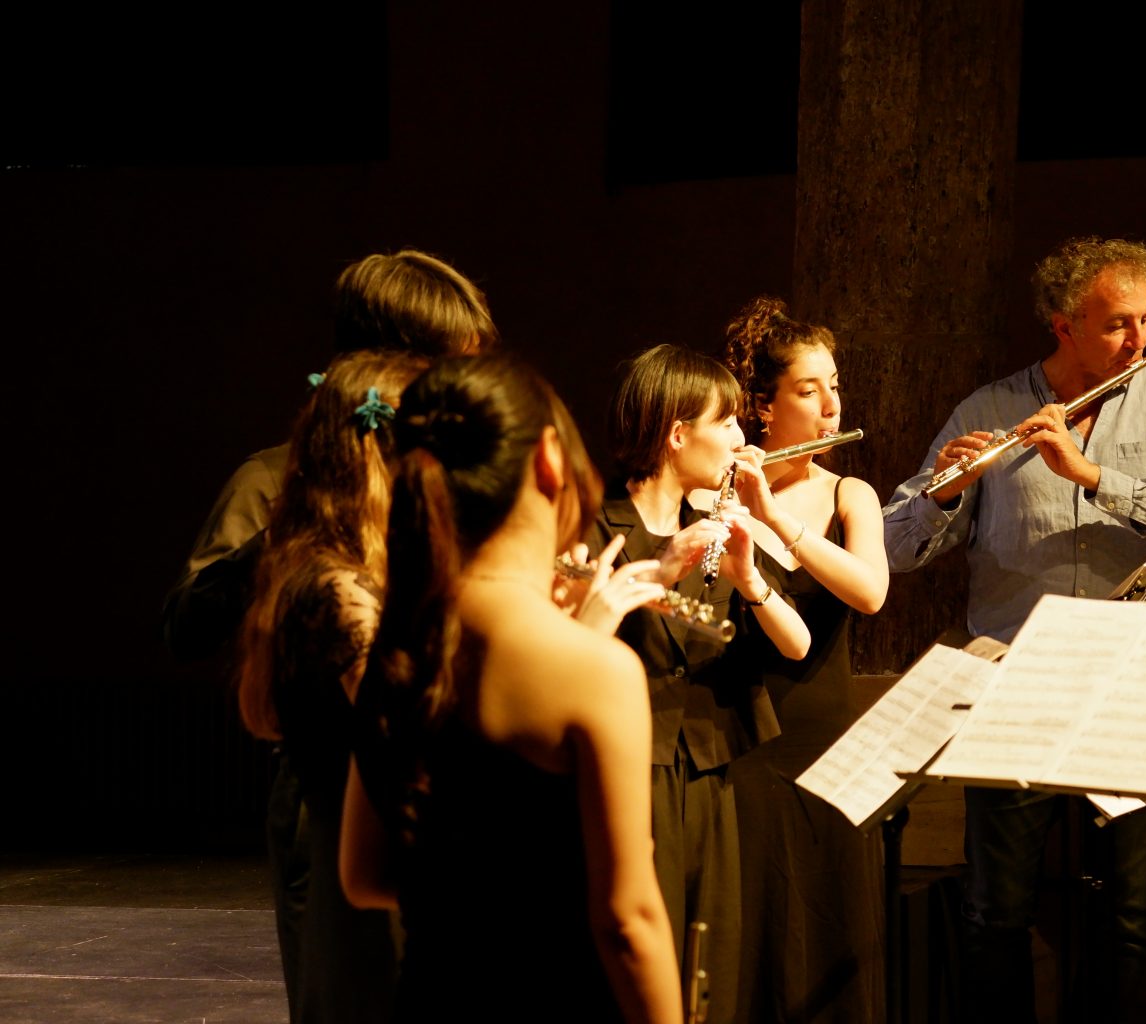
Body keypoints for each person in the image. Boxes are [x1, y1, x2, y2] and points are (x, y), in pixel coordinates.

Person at [882, 237, 1146, 1023]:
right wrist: (945, 494)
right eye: (1116, 324)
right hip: (1015, 681)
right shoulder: (988, 410)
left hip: (1130, 682)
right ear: (1063, 324)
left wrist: (1091, 475)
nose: (1137, 339)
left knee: (1124, 912)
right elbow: (896, 546)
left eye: (1144, 320)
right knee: (995, 910)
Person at [165, 248, 496, 1020]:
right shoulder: (276, 480)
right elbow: (185, 625)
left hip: (440, 776)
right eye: (450, 366)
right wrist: (305, 520)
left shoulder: (452, 477)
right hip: (334, 790)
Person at [339, 354, 681, 1023]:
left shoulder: (399, 645)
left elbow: (363, 875)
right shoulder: (594, 669)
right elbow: (628, 922)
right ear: (549, 459)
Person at [586, 343, 811, 1024]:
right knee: (636, 965)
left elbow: (796, 645)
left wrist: (749, 576)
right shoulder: (596, 527)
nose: (743, 439)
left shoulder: (713, 528)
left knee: (710, 959)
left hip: (707, 767)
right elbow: (564, 650)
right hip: (628, 767)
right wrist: (653, 576)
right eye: (728, 422)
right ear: (678, 434)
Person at [235, 350, 428, 1022]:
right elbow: (409, 731)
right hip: (365, 884)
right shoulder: (336, 587)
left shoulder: (355, 573)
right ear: (386, 457)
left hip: (372, 869)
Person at [719, 297, 890, 1023]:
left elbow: (870, 592)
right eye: (808, 390)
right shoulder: (718, 490)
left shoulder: (851, 493)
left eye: (834, 386)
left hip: (825, 742)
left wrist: (775, 517)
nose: (830, 407)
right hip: (740, 737)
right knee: (750, 926)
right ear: (763, 408)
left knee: (829, 923)